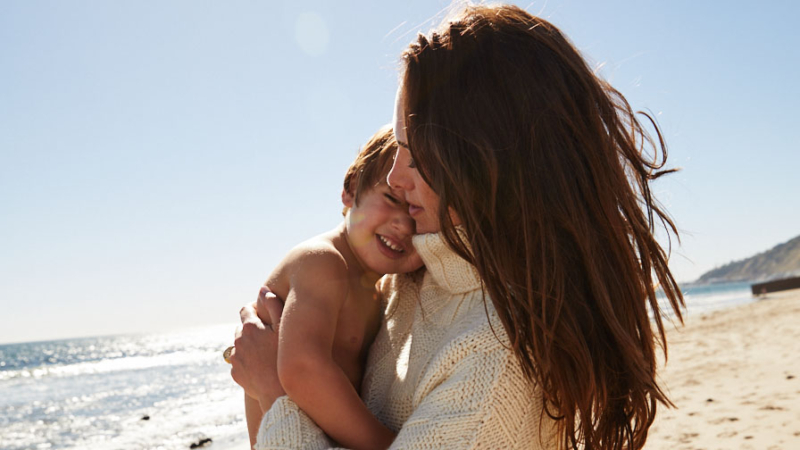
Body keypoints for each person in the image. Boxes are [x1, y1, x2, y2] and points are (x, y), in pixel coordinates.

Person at [231, 4, 684, 450]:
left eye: (417, 152)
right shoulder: (419, 274)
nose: (395, 178)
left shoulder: (496, 358)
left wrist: (275, 399)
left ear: (488, 158)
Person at [233, 125, 424, 449]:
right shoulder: (323, 261)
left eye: (417, 214)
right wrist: (388, 444)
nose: (404, 225)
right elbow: (301, 368)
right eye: (392, 199)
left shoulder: (381, 290)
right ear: (351, 190)